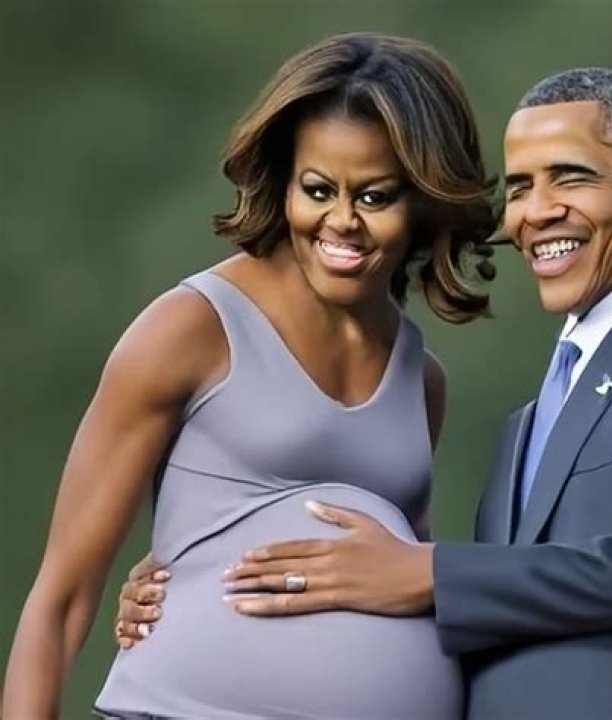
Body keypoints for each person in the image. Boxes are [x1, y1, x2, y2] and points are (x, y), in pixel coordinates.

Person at [120, 68, 612, 720]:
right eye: (520, 187)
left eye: (571, 178)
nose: (537, 211)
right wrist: (202, 564)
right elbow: (508, 605)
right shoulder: (529, 422)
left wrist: (434, 572)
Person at [2, 32, 499, 720]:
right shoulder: (192, 327)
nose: (342, 221)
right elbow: (59, 600)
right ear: (284, 182)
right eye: (318, 190)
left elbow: (401, 580)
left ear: (424, 200)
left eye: (375, 196)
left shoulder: (421, 378)